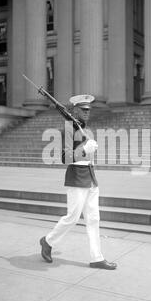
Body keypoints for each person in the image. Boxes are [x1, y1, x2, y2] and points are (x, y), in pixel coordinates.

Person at [39, 94, 117, 270]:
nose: (87, 113)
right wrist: (85, 150)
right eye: (83, 110)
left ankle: (97, 257)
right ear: (75, 110)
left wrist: (90, 151)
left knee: (94, 218)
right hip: (76, 177)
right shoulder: (68, 129)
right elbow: (65, 158)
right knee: (72, 217)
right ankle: (47, 241)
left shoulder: (83, 128)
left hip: (90, 176)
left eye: (88, 110)